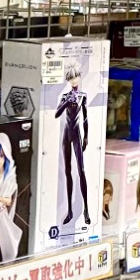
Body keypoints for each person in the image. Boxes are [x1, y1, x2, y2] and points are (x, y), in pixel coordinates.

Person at [57, 68, 90, 226]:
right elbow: (57, 114)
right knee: (67, 171)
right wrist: (65, 102)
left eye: (76, 77)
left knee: (81, 170)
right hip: (66, 135)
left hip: (77, 134)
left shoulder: (83, 96)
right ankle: (70, 210)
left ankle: (86, 210)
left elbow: (85, 118)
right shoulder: (65, 96)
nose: (74, 80)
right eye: (71, 78)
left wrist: (87, 137)